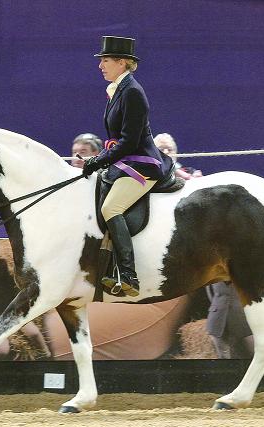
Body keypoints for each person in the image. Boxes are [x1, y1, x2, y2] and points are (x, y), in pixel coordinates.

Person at [81, 36, 174, 297]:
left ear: (122, 63)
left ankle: (128, 274)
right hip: (126, 160)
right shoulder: (118, 89)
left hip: (143, 164)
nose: (100, 65)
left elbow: (129, 141)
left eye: (105, 60)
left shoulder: (132, 92)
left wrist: (98, 160)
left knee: (112, 208)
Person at [205, 282, 254, 359]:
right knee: (223, 355)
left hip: (242, 317)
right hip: (218, 317)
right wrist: (218, 306)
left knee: (252, 353)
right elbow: (210, 292)